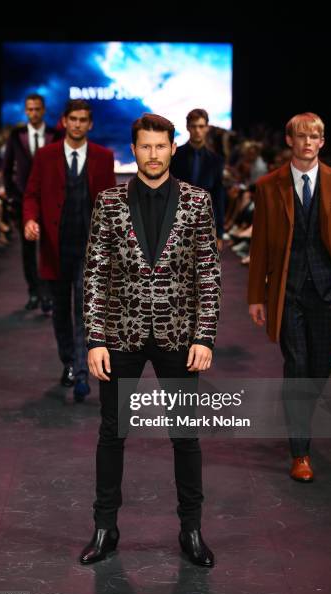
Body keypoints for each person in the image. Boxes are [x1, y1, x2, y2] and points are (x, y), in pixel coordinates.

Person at [80, 113, 221, 567]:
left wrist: (205, 335)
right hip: (120, 334)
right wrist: (96, 338)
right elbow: (96, 271)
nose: (154, 154)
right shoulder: (109, 201)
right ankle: (105, 528)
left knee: (185, 436)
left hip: (180, 337)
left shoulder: (198, 202)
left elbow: (208, 272)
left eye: (161, 146)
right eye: (145, 146)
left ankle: (191, 530)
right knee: (112, 433)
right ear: (134, 149)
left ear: (173, 147)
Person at [248, 112, 331, 482]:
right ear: (289, 140)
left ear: (322, 142)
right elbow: (260, 243)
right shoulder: (268, 186)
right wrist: (256, 296)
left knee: (318, 369)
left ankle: (299, 418)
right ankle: (300, 451)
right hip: (288, 291)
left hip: (329, 292)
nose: (308, 142)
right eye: (302, 136)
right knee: (296, 366)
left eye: (315, 136)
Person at [23, 100, 115, 399]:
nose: (77, 124)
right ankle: (69, 362)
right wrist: (30, 219)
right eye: (72, 119)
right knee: (61, 310)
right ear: (64, 121)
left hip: (90, 248)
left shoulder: (103, 157)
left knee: (85, 310)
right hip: (55, 247)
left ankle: (81, 370)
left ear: (90, 124)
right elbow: (32, 193)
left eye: (83, 119)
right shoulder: (45, 156)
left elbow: (111, 202)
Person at [3, 93, 58, 311]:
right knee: (27, 250)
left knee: (48, 249)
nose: (34, 113)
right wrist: (11, 195)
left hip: (50, 201)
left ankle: (46, 294)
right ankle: (34, 293)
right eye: (30, 109)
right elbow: (7, 168)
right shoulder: (16, 135)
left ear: (43, 110)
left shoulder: (55, 134)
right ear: (25, 111)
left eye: (37, 109)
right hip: (22, 201)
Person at [170, 108, 225, 250]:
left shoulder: (216, 160)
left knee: (204, 269)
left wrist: (219, 234)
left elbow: (218, 197)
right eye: (194, 126)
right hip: (178, 221)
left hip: (205, 222)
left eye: (201, 126)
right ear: (188, 127)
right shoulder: (175, 157)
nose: (197, 130)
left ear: (207, 128)